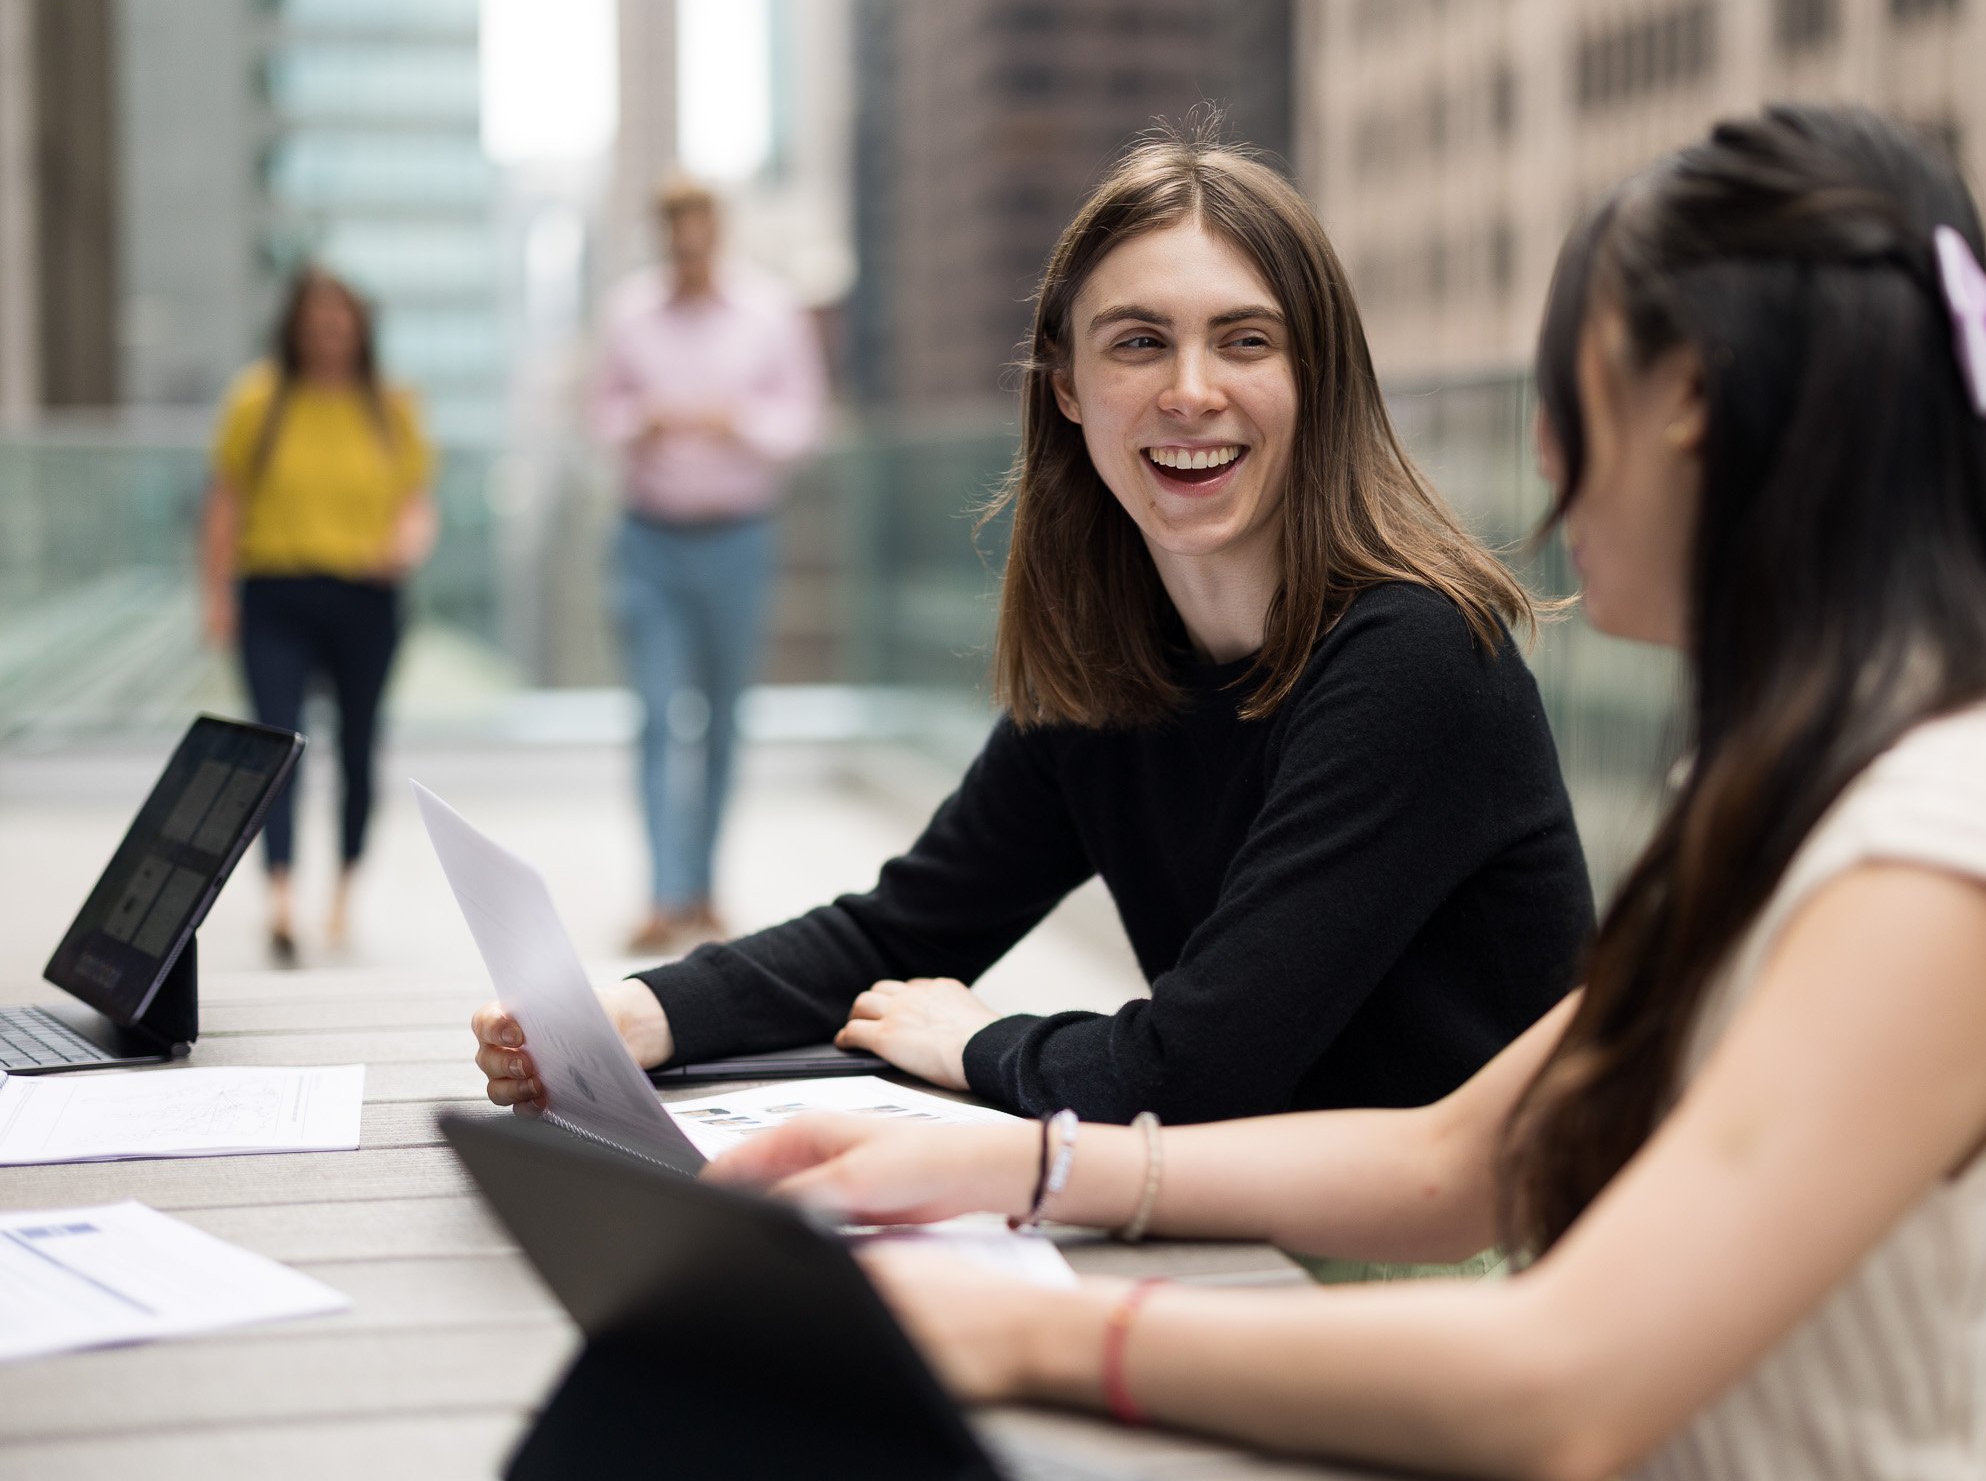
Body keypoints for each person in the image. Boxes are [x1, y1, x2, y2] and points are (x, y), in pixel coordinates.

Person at [705, 108, 1986, 1481]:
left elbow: (1564, 1383)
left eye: (1566, 391)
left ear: (1692, 407)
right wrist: (1014, 1169)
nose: (1540, 459)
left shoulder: (1954, 839)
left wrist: (1026, 1326)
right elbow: (1470, 1156)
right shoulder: (1824, 783)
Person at [473, 129, 1593, 1132]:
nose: (1191, 390)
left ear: (1318, 376)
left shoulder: (1416, 658)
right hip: (1244, 1220)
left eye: (1245, 340)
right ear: (1065, 386)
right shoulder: (1118, 663)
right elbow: (904, 930)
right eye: (1138, 342)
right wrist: (638, 1012)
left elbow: (1194, 1068)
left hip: (1455, 1276)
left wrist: (977, 1042)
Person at [592, 174, 826, 953]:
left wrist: (739, 421)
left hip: (739, 538)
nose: (687, 244)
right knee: (657, 716)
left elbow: (802, 422)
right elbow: (600, 413)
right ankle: (662, 893)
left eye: (699, 229)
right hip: (649, 539)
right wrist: (642, 420)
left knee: (723, 717)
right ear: (663, 234)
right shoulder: (629, 313)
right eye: (674, 231)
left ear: (716, 230)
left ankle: (702, 885)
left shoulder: (770, 311)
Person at [200, 266, 437, 961]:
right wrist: (214, 594)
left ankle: (343, 891)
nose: (329, 334)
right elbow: (225, 501)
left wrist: (406, 543)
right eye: (316, 321)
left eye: (341, 321)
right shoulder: (258, 400)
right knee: (276, 744)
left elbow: (416, 500)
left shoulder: (390, 406)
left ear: (359, 329)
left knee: (360, 744)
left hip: (365, 596)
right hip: (274, 591)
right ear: (295, 327)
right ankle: (280, 893)